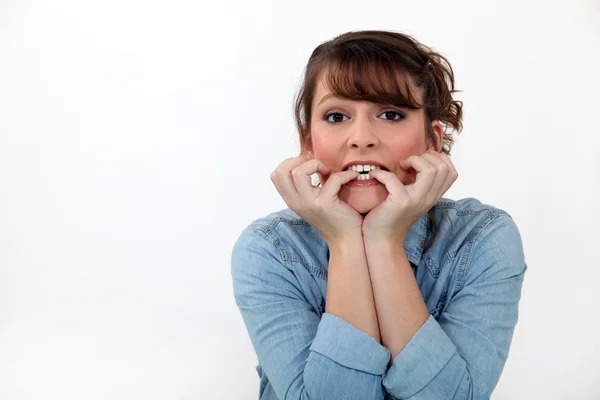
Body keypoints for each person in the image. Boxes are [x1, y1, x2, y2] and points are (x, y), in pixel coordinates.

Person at [231, 30, 527, 400]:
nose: (361, 138)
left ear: (432, 141)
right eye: (337, 116)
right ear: (308, 143)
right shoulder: (270, 249)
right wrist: (344, 242)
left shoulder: (484, 238)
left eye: (391, 113)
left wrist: (385, 241)